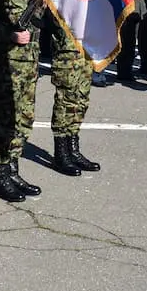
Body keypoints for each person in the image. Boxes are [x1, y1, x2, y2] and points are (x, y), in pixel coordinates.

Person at [0, 0, 45, 202]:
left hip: (29, 61)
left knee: (25, 118)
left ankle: (13, 169)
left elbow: (39, 21)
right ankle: (0, 174)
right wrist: (10, 34)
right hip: (7, 62)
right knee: (6, 118)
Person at [48, 15, 100, 175]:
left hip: (86, 45)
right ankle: (61, 153)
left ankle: (73, 149)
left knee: (81, 99)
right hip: (67, 45)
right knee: (65, 101)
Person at [115, 0, 142, 81]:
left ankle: (127, 70)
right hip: (124, 11)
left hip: (134, 11)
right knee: (123, 43)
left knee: (131, 43)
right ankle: (122, 71)